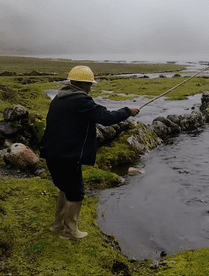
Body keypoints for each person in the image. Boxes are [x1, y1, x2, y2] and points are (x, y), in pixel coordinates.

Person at [40, 65, 139, 240]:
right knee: (76, 192)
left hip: (51, 154)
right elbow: (106, 117)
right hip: (68, 156)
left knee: (64, 188)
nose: (90, 88)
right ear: (82, 84)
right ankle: (70, 232)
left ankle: (57, 225)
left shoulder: (59, 98)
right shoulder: (81, 101)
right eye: (89, 84)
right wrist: (127, 111)